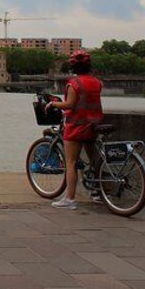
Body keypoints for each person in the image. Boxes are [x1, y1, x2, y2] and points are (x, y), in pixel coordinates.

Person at [46, 50, 103, 210]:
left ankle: (69, 199)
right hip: (93, 125)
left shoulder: (74, 83)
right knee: (94, 161)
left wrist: (53, 104)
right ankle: (98, 193)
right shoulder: (97, 82)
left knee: (70, 162)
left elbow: (70, 104)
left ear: (73, 67)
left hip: (77, 126)